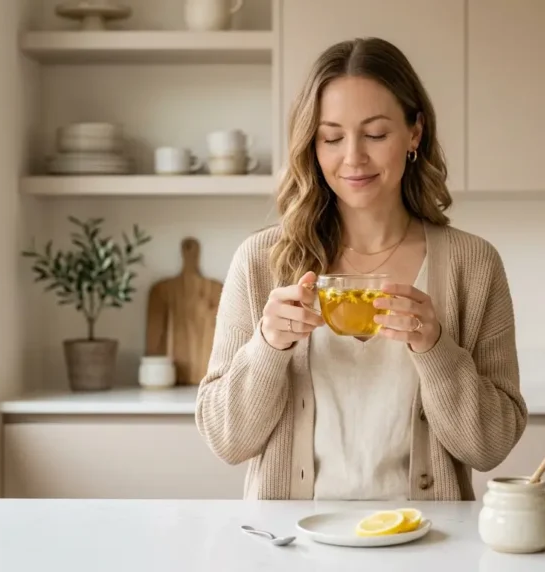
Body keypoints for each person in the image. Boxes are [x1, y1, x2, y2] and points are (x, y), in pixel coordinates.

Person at [195, 37, 527, 501]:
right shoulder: (261, 261)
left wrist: (436, 349)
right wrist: (268, 348)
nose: (352, 157)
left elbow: (490, 447)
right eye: (331, 137)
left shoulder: (472, 265)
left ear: (414, 133)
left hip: (428, 544)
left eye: (375, 134)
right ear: (312, 144)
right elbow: (226, 441)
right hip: (291, 550)